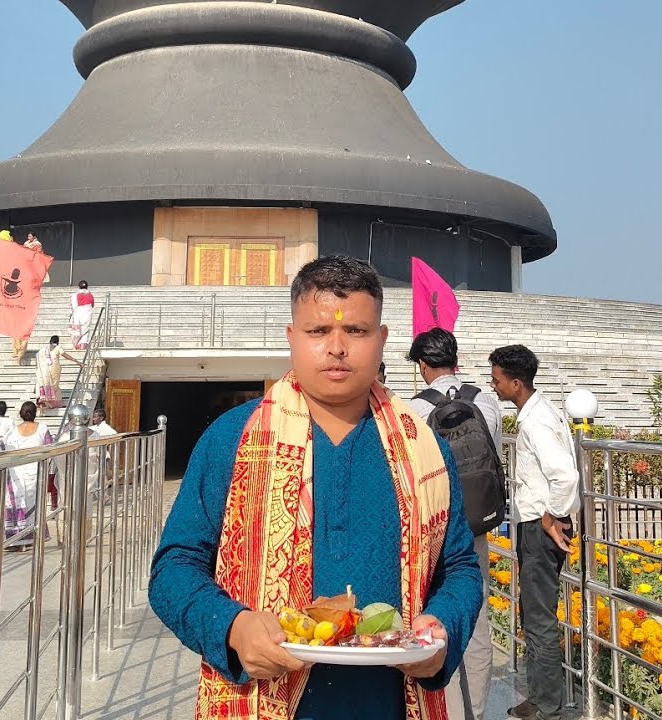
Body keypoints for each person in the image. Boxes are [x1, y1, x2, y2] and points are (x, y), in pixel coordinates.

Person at [149, 255, 482, 720]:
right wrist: (233, 627)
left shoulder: (425, 450)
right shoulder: (231, 440)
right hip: (261, 697)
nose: (338, 347)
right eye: (318, 331)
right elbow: (173, 570)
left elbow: (461, 569)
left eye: (358, 331)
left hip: (391, 703)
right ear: (292, 338)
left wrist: (442, 630)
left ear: (382, 340)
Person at [406, 328, 501, 720]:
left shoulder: (414, 409)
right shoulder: (487, 401)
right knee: (476, 614)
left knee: (433, 611)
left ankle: (445, 708)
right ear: (456, 360)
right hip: (476, 521)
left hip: (435, 523)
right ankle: (475, 710)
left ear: (424, 366)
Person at [488, 344, 579, 720]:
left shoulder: (536, 422)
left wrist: (550, 516)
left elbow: (565, 475)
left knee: (538, 617)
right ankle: (543, 698)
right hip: (540, 525)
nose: (493, 387)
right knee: (535, 613)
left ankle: (546, 705)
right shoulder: (540, 412)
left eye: (497, 381)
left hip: (540, 530)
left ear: (515, 383)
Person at [2, 401, 52, 548]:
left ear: (21, 414)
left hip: (16, 472)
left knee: (17, 505)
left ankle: (16, 541)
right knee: (34, 506)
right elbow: (50, 447)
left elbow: (4, 447)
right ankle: (31, 538)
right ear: (35, 413)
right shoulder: (42, 428)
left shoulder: (13, 431)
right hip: (35, 472)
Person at [34, 335, 82, 411]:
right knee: (54, 387)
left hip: (42, 372)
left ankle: (43, 403)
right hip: (53, 370)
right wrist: (77, 362)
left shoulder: (42, 350)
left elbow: (37, 361)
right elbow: (65, 355)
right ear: (57, 342)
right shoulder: (57, 347)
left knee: (44, 386)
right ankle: (48, 402)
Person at [70, 280, 96, 350]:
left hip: (77, 316)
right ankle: (82, 345)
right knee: (86, 331)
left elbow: (72, 306)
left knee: (76, 332)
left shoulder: (74, 296)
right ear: (87, 287)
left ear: (79, 287)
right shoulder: (90, 296)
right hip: (87, 315)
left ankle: (76, 345)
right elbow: (92, 305)